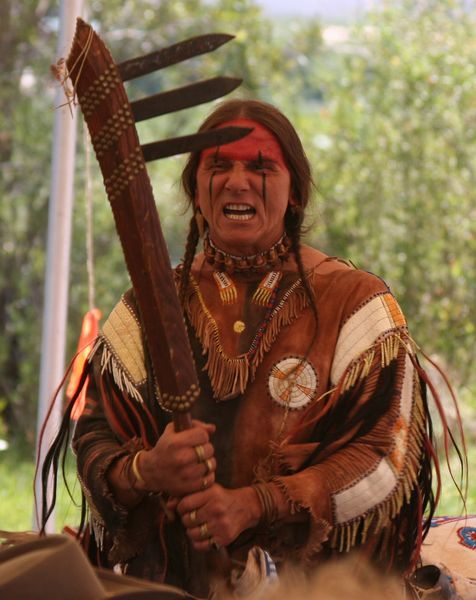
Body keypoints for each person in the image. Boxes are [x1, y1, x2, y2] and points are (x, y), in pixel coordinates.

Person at [46, 99, 439, 596]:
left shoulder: (355, 304)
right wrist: (145, 470)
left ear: (294, 192)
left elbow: (385, 457)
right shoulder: (146, 307)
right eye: (218, 165)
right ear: (197, 191)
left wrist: (258, 503)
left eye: (260, 167)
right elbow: (94, 440)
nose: (237, 181)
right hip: (173, 587)